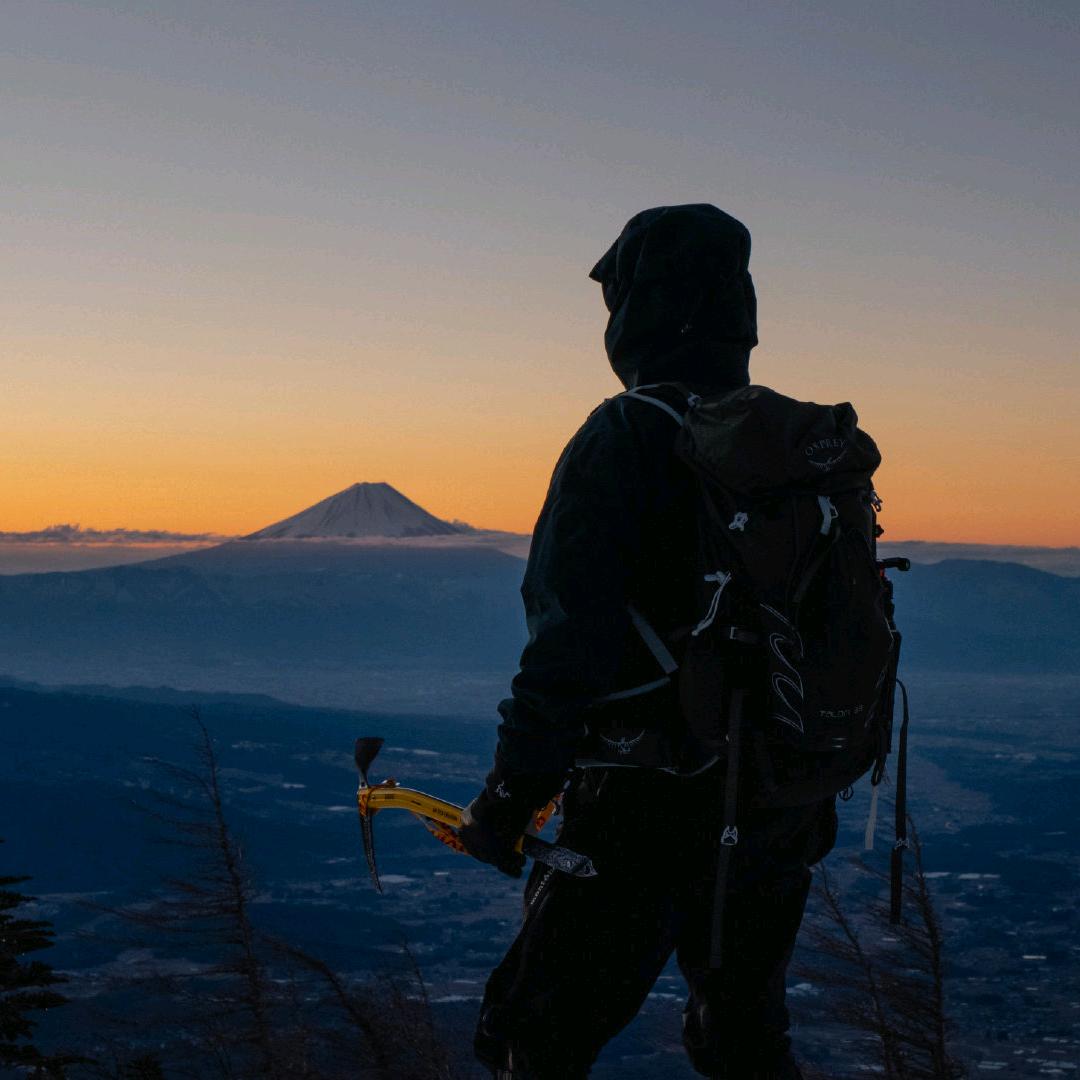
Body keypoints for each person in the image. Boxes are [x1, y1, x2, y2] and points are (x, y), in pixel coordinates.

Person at [459, 204, 839, 1079]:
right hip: (777, 800)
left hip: (644, 805)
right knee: (743, 1040)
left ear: (635, 310)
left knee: (531, 1037)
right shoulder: (790, 443)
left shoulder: (626, 436)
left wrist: (512, 799)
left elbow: (568, 640)